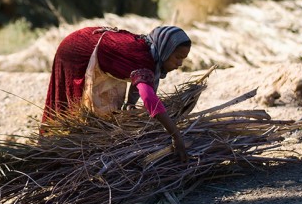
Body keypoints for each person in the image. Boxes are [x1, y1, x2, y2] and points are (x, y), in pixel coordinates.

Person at [41, 25, 192, 160]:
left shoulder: (148, 51)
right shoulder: (143, 57)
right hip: (76, 49)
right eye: (177, 57)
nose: (179, 64)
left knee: (107, 106)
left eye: (183, 59)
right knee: (71, 103)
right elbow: (149, 98)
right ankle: (54, 147)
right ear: (164, 49)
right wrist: (175, 135)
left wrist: (130, 103)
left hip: (92, 42)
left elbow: (138, 75)